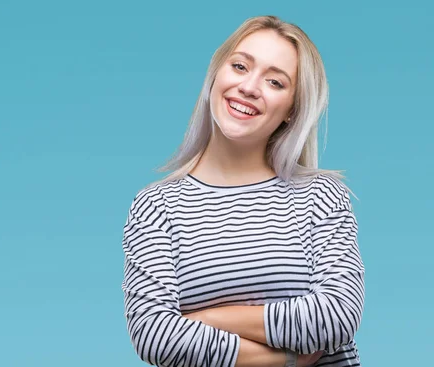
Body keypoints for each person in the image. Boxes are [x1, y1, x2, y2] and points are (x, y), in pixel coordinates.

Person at [120, 15, 365, 367]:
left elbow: (337, 316)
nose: (250, 87)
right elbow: (153, 335)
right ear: (215, 74)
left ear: (291, 111)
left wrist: (208, 319)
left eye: (275, 82)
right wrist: (286, 361)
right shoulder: (155, 207)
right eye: (239, 66)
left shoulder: (320, 195)